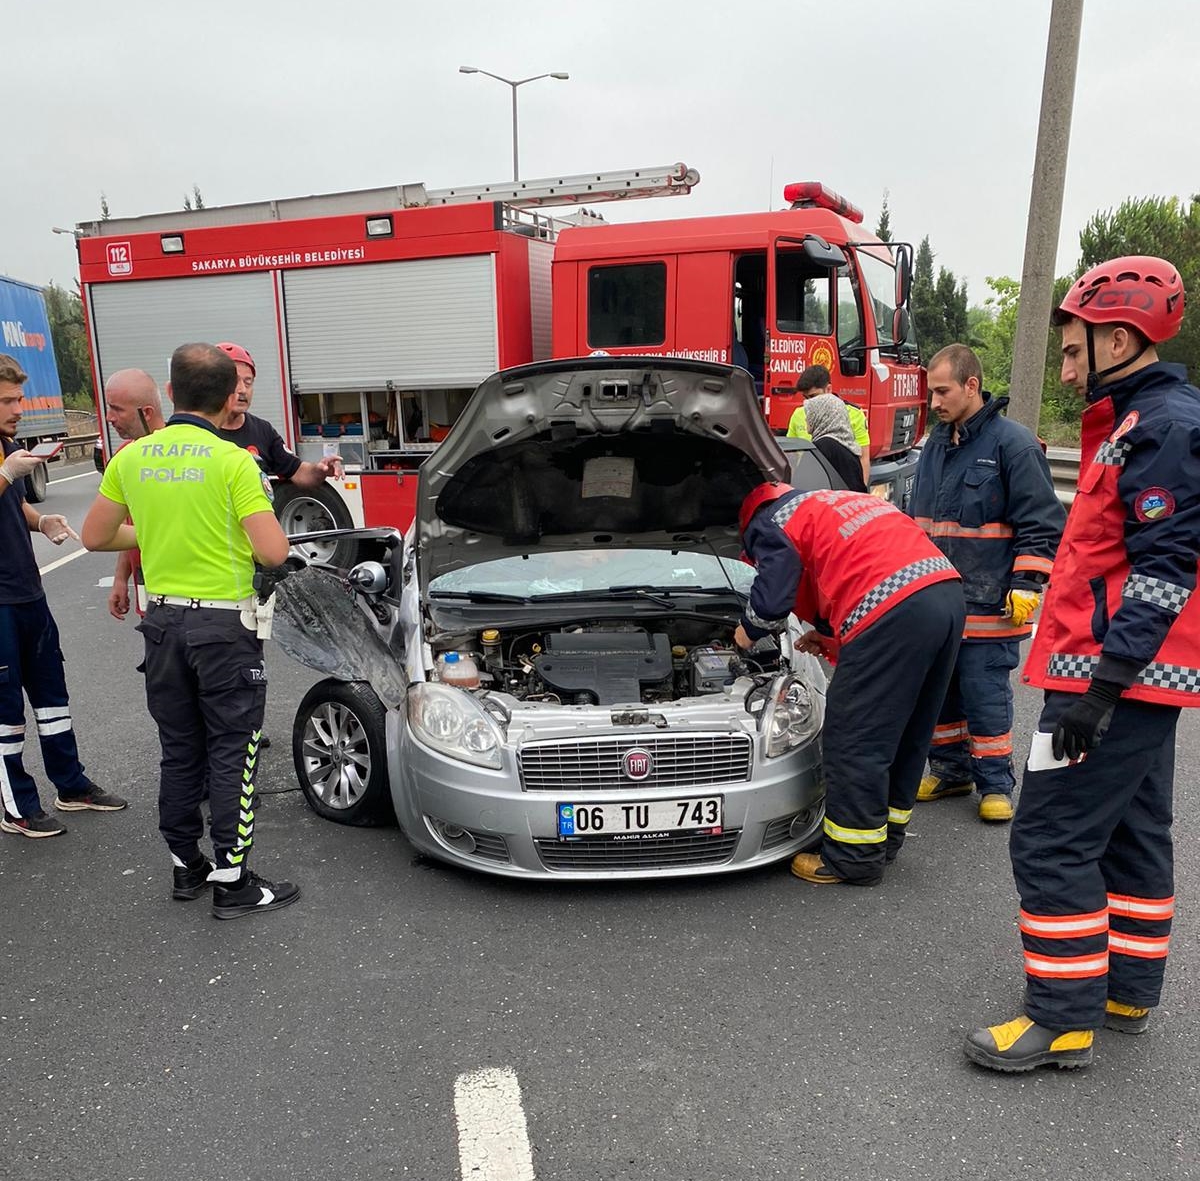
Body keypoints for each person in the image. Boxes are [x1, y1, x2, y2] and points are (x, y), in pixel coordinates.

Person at [966, 256, 1200, 1072]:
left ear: (1122, 337)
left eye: (1074, 351)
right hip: (1136, 675)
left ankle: (1061, 1018)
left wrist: (1098, 692)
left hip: (1110, 676)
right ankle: (1129, 990)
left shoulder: (1160, 427)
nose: (1065, 369)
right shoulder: (1144, 420)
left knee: (1050, 838)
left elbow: (1164, 568)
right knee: (1134, 834)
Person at [82, 342, 299, 919]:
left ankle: (187, 868)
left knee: (180, 751)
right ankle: (235, 882)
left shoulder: (133, 459)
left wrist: (153, 534)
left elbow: (96, 537)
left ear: (170, 394)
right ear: (232, 397)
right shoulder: (234, 462)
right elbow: (273, 551)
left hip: (163, 625)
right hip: (223, 628)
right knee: (234, 749)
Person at [735, 481, 964, 885]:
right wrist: (831, 637)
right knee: (908, 730)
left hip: (891, 607)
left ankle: (852, 858)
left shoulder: (770, 521)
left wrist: (746, 633)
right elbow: (852, 566)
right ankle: (883, 839)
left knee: (855, 735)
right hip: (943, 593)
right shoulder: (829, 502)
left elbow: (771, 602)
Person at [909, 344, 1064, 823]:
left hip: (991, 602)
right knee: (942, 693)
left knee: (984, 695)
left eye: (942, 390)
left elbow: (1041, 521)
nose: (933, 401)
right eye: (930, 391)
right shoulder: (936, 444)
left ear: (971, 386)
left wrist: (1027, 582)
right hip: (941, 600)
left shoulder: (1011, 444)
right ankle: (951, 771)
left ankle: (996, 783)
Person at [0, 353, 127, 838]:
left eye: (19, 397)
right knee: (6, 710)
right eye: (8, 400)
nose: (18, 408)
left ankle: (70, 786)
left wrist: (41, 520)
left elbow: (10, 503)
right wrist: (9, 474)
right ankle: (17, 809)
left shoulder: (5, 444)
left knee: (52, 696)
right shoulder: (7, 459)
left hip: (29, 593)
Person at [215, 342, 342, 485]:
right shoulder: (197, 431)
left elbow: (298, 471)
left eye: (248, 382)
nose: (243, 390)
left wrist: (320, 470)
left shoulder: (263, 431)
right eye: (234, 381)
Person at [102, 369, 167, 621]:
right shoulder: (124, 456)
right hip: (145, 579)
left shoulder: (179, 455)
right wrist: (120, 579)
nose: (109, 418)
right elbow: (127, 521)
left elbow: (96, 536)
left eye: (117, 409)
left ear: (146, 412)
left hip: (182, 587)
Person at [786, 364, 871, 486]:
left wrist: (860, 493)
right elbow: (791, 458)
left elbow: (863, 457)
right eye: (805, 397)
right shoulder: (799, 414)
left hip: (839, 484)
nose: (809, 402)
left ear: (828, 389)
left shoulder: (853, 414)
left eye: (813, 396)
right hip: (806, 483)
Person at [800, 392, 868, 492]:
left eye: (810, 414)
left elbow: (803, 481)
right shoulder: (847, 445)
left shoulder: (822, 447)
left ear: (821, 416)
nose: (806, 419)